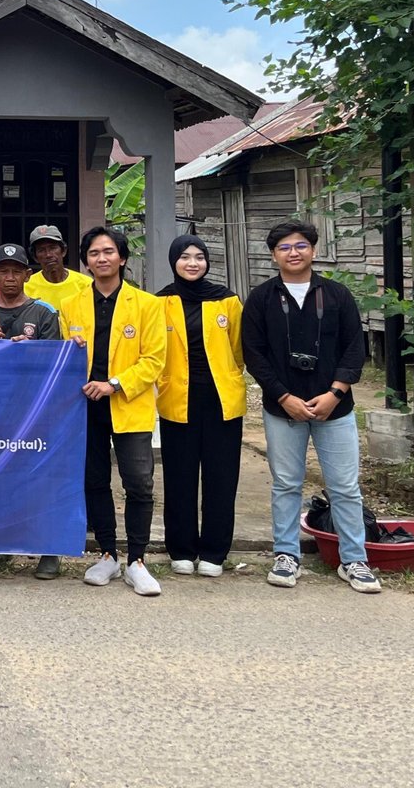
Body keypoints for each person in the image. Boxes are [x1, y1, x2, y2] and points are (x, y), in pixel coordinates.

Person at [243, 221, 380, 595]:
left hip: (334, 407)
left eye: (300, 245)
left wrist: (336, 392)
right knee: (286, 484)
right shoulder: (261, 299)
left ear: (313, 250)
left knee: (345, 486)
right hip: (281, 408)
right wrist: (283, 397)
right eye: (284, 248)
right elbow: (254, 353)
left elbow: (355, 348)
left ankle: (354, 559)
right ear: (274, 255)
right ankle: (286, 555)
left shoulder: (336, 295)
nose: (293, 253)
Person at [60, 226, 167, 597]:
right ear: (86, 261)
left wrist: (115, 384)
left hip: (129, 404)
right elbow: (63, 358)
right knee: (94, 480)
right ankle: (107, 553)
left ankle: (137, 560)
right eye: (93, 253)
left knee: (139, 482)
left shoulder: (148, 304)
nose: (101, 258)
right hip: (85, 407)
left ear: (122, 257)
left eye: (108, 252)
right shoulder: (71, 304)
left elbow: (154, 360)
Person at [157, 235, 245, 579]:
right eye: (185, 257)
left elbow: (238, 350)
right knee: (179, 476)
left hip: (221, 400)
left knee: (221, 477)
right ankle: (180, 549)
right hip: (177, 399)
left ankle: (213, 551)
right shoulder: (160, 301)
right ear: (173, 261)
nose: (192, 263)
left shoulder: (227, 300)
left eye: (199, 257)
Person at [0, 243, 65, 580]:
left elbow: (54, 364)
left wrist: (28, 352)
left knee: (40, 480)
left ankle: (48, 550)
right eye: (3, 271)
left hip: (35, 412)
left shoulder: (44, 313)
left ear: (27, 274)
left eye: (17, 270)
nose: (10, 277)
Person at [25, 225, 92, 309]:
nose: (48, 255)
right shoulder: (26, 287)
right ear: (35, 257)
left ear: (63, 251)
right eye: (41, 250)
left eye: (53, 248)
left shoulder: (85, 284)